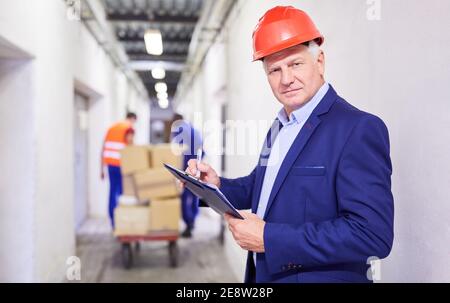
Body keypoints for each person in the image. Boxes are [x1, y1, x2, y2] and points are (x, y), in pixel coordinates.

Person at [185, 6, 394, 283]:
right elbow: (261, 187)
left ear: (319, 62)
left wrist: (269, 238)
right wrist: (215, 185)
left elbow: (371, 234)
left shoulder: (358, 129)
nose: (286, 79)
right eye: (274, 70)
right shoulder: (281, 125)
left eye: (295, 64)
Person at [101, 112, 137, 228]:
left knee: (112, 192)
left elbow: (103, 148)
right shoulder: (128, 128)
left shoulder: (111, 128)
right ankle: (121, 221)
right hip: (121, 165)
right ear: (132, 119)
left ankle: (113, 221)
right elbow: (130, 144)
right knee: (122, 194)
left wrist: (101, 169)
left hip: (110, 164)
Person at [170, 113, 204, 238]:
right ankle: (193, 220)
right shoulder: (194, 129)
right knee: (194, 193)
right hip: (196, 168)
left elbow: (175, 152)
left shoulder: (179, 130)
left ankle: (188, 224)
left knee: (184, 196)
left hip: (185, 168)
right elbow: (202, 149)